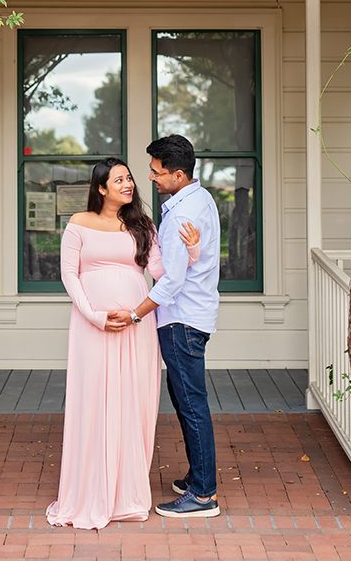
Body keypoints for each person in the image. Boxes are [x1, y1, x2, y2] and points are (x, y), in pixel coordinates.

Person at [46, 157, 199, 530]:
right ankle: (90, 492)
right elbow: (70, 277)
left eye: (129, 178)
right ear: (101, 188)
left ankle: (127, 494)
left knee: (134, 404)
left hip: (136, 325)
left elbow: (162, 273)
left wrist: (193, 252)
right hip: (92, 327)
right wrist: (95, 316)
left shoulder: (143, 225)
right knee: (94, 402)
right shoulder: (78, 224)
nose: (128, 184)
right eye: (119, 180)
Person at [110, 134, 221, 518]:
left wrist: (136, 313)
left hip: (182, 320)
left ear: (177, 174)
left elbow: (171, 281)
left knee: (191, 405)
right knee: (186, 400)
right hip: (193, 316)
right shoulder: (199, 199)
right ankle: (197, 477)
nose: (151, 179)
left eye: (157, 173)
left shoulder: (182, 214)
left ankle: (204, 495)